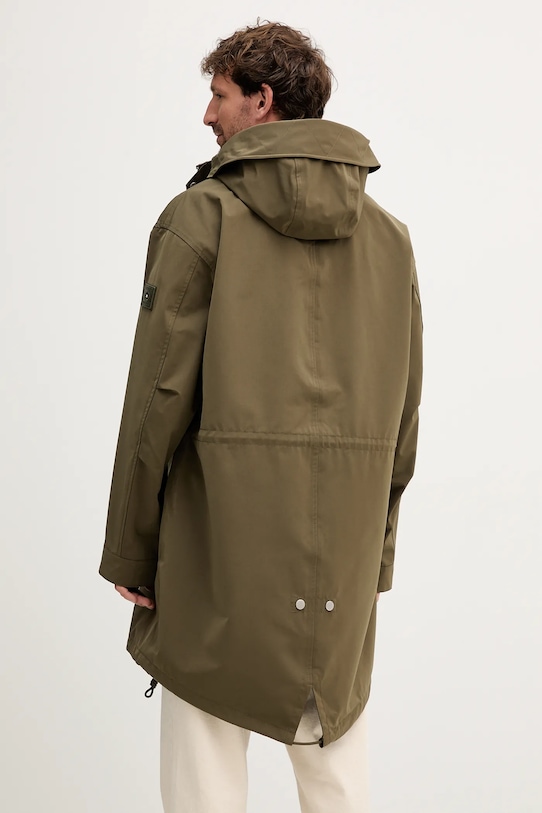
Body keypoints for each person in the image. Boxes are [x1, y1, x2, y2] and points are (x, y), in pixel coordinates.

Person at [99, 21, 423, 813]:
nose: (208, 114)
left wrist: (131, 551)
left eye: (218, 95)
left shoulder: (199, 219)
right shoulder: (391, 240)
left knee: (205, 774)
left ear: (262, 100)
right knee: (336, 773)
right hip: (339, 564)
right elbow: (404, 419)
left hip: (215, 552)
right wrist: (375, 557)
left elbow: (155, 401)